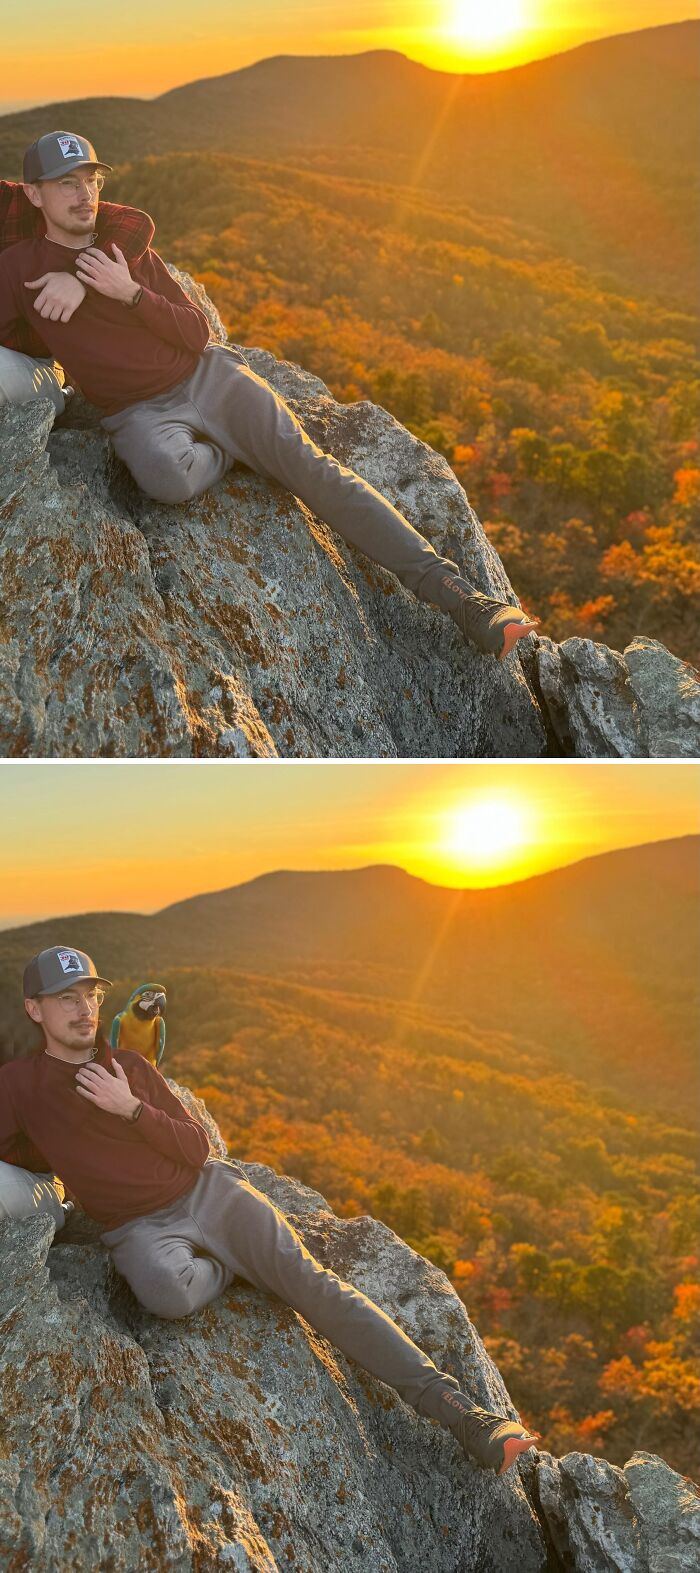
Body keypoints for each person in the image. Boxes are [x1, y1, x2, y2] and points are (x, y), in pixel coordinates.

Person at [0, 944, 541, 1477]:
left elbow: (195, 1148)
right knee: (166, 1294)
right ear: (35, 1010)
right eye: (65, 998)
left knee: (310, 1283)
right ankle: (237, 1265)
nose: (83, 1010)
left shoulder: (131, 1065)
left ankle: (462, 1413)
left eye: (90, 995)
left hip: (206, 1192)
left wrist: (132, 1108)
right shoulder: (20, 1086)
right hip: (135, 1226)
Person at [0, 129, 540, 662]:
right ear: (34, 194)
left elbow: (194, 333)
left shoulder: (124, 249)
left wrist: (132, 293)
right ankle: (236, 450)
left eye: (90, 180)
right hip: (136, 412)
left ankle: (461, 597)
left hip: (205, 377)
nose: (83, 195)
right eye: (65, 183)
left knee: (310, 468)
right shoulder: (19, 267)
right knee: (166, 478)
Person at [0, 152, 154, 416]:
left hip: (33, 361)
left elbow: (135, 222)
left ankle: (56, 397)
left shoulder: (18, 202)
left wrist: (79, 279)